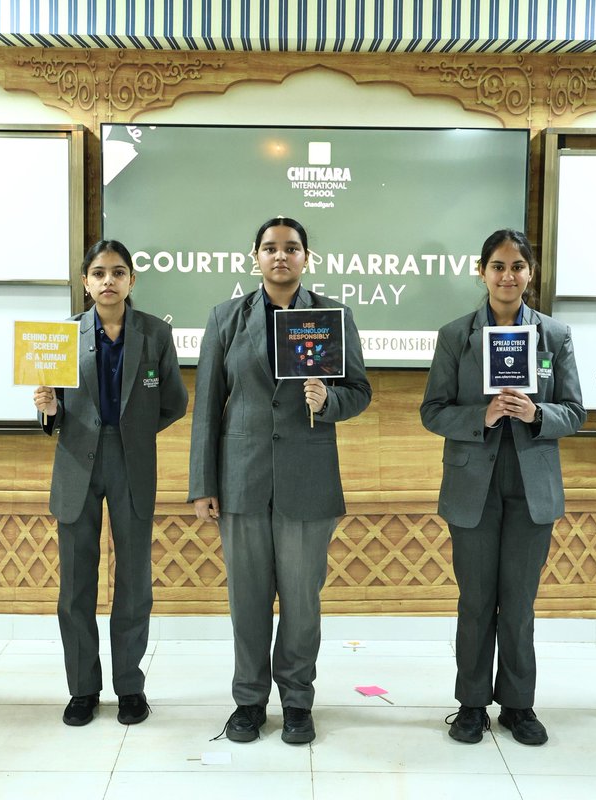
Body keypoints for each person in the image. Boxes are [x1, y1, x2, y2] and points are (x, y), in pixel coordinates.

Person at [189, 217, 371, 744]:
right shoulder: (226, 318)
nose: (281, 257)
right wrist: (204, 484)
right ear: (255, 256)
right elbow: (207, 409)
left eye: (291, 248)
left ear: (306, 258)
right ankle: (248, 701)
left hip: (308, 481)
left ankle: (297, 701)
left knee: (301, 601)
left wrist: (329, 400)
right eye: (270, 248)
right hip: (241, 479)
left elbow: (358, 390)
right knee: (246, 600)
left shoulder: (332, 316)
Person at [420, 228, 585, 746]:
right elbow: (432, 412)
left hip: (532, 483)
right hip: (474, 486)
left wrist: (539, 414)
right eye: (498, 266)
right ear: (482, 272)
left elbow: (576, 412)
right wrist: (480, 415)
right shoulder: (455, 335)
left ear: (530, 274)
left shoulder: (554, 336)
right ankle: (470, 704)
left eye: (517, 266)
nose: (508, 275)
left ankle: (518, 704)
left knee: (518, 603)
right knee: (475, 601)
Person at [33, 240, 188, 728]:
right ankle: (82, 689)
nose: (108, 281)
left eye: (117, 272)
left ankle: (129, 687)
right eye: (98, 273)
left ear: (131, 280)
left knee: (134, 583)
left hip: (133, 463)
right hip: (77, 462)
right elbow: (50, 408)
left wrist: (135, 434)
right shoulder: (61, 335)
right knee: (76, 586)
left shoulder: (155, 334)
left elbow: (174, 402)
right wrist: (50, 410)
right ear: (85, 282)